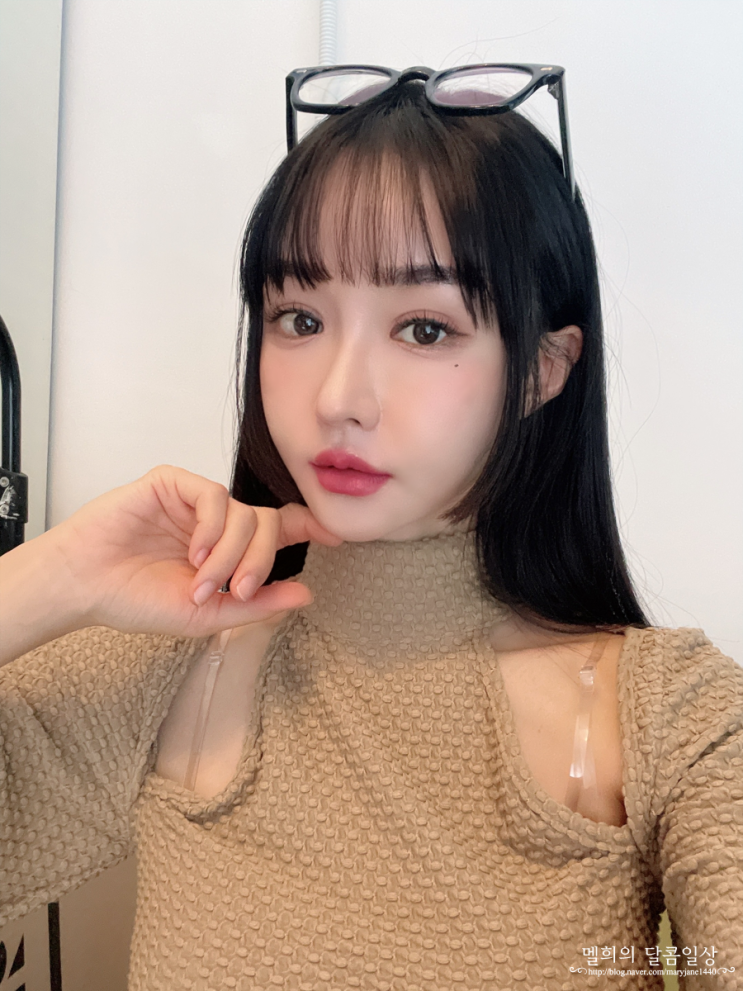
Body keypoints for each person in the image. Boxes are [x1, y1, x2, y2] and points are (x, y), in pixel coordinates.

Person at [1, 67, 741, 991]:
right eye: (299, 317)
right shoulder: (175, 662)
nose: (337, 398)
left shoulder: (675, 721)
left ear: (543, 369)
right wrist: (53, 577)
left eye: (423, 329)